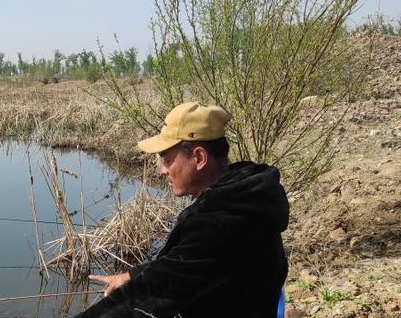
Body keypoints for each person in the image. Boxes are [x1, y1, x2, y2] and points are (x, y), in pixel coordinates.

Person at [76, 102, 289, 318]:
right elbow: (184, 264)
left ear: (199, 158)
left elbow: (152, 294)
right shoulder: (245, 197)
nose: (162, 170)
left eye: (168, 160)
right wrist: (133, 275)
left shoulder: (225, 223)